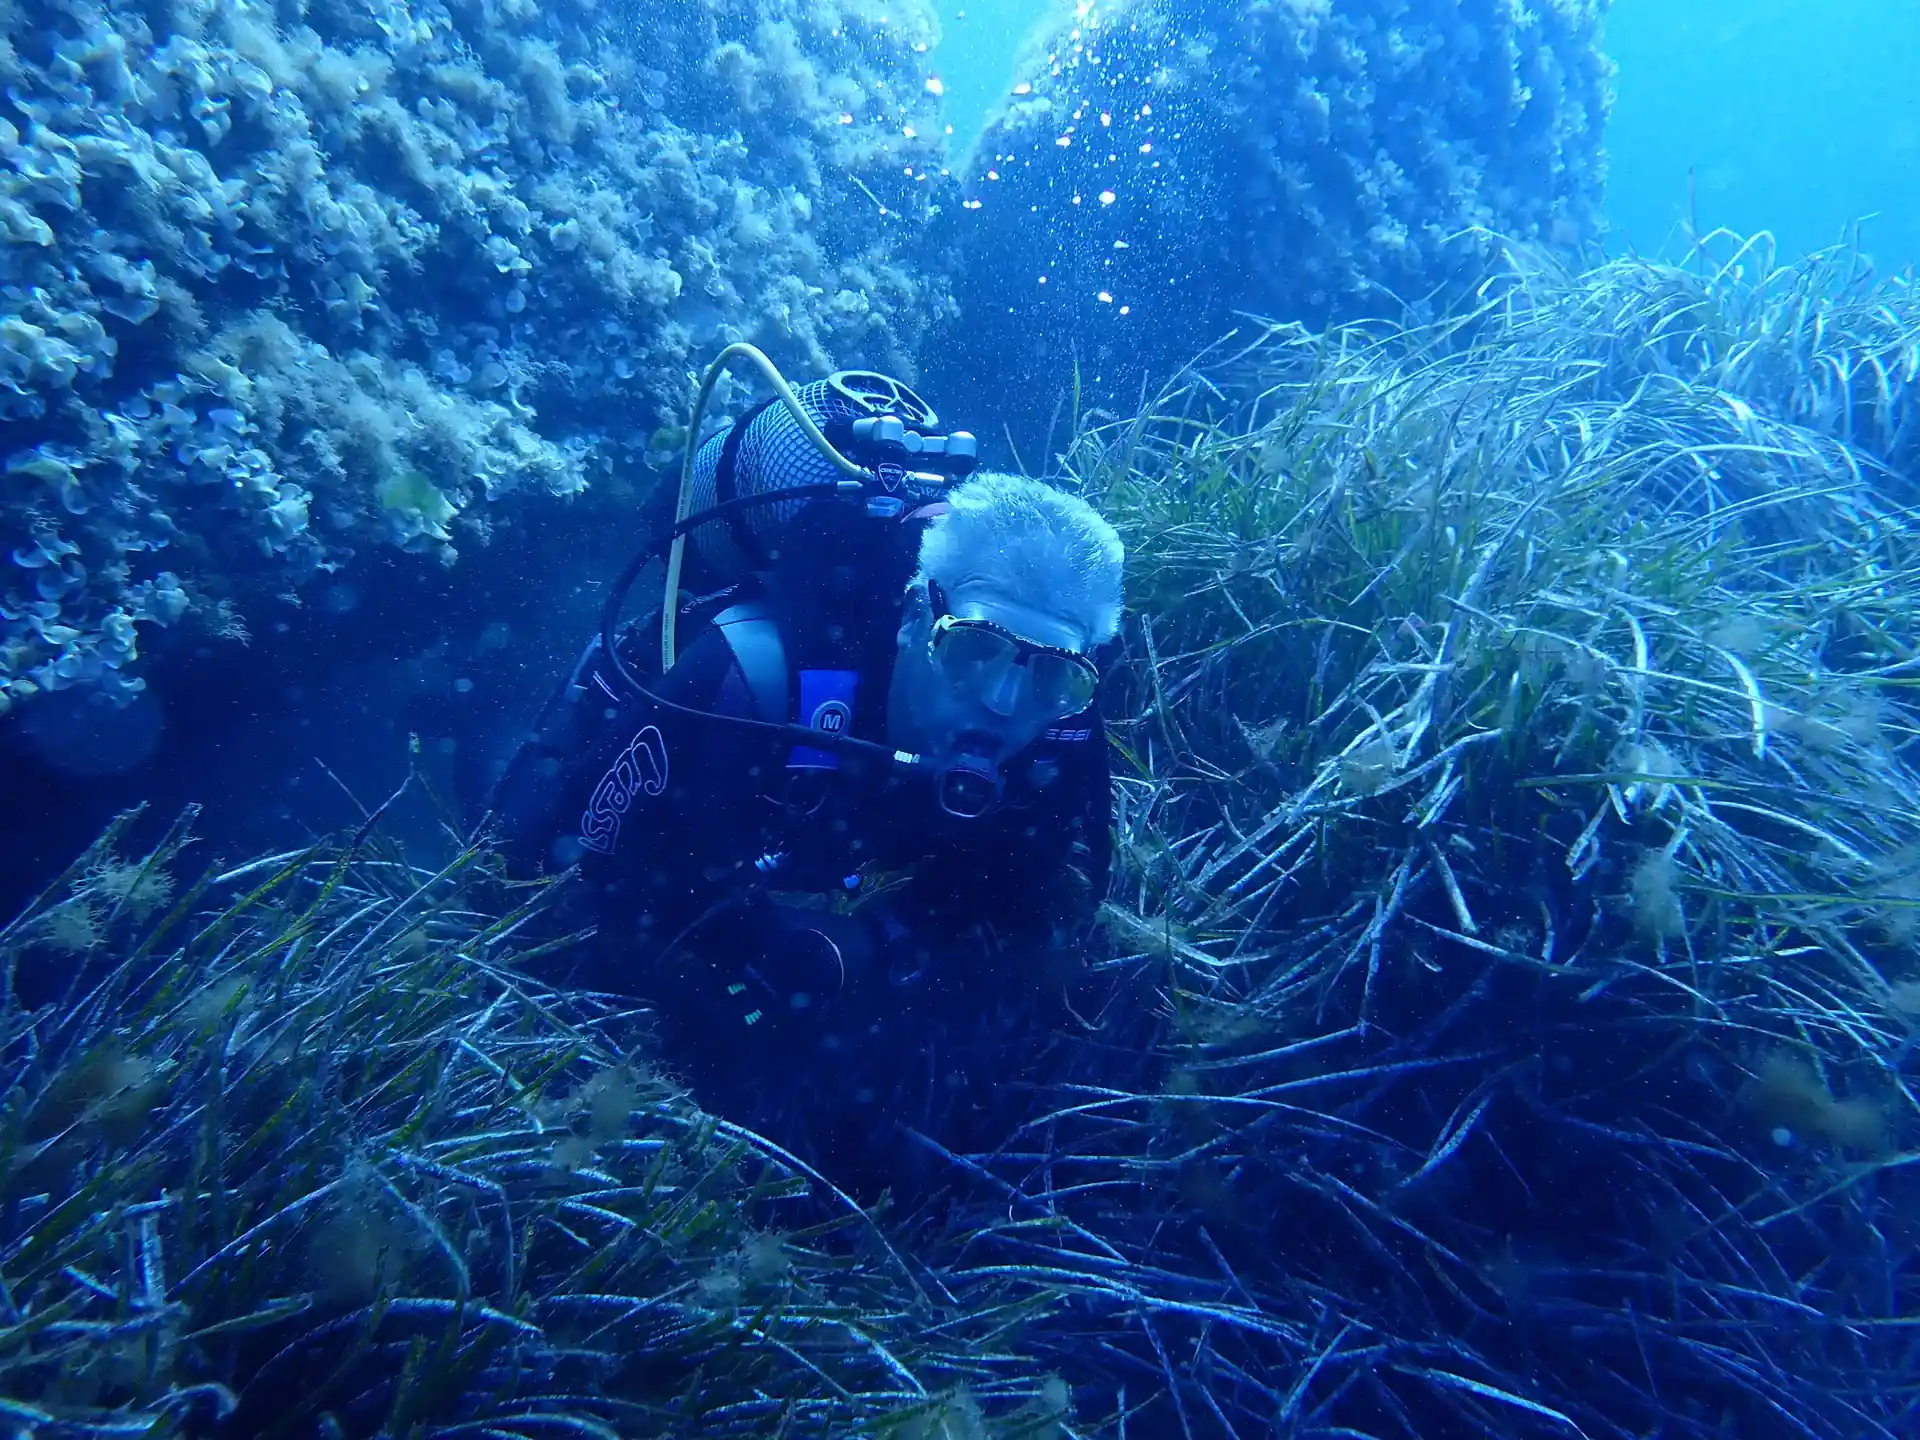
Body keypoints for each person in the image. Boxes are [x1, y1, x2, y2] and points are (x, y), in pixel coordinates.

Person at [489, 360, 1124, 1185]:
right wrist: (752, 941)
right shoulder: (750, 679)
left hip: (820, 856)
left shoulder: (1062, 726)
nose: (1004, 703)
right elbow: (588, 869)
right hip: (666, 802)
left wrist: (873, 942)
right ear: (912, 618)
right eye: (972, 649)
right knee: (508, 842)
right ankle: (472, 720)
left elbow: (1023, 889)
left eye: (1051, 673)